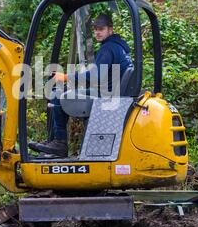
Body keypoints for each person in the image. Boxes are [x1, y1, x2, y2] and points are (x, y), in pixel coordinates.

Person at [29, 14, 133, 158]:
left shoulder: (108, 48)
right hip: (111, 93)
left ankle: (59, 142)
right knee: (69, 93)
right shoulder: (119, 47)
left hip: (105, 96)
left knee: (58, 95)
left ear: (110, 29)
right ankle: (56, 142)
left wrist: (66, 77)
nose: (97, 32)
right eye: (95, 29)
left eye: (101, 29)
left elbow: (96, 76)